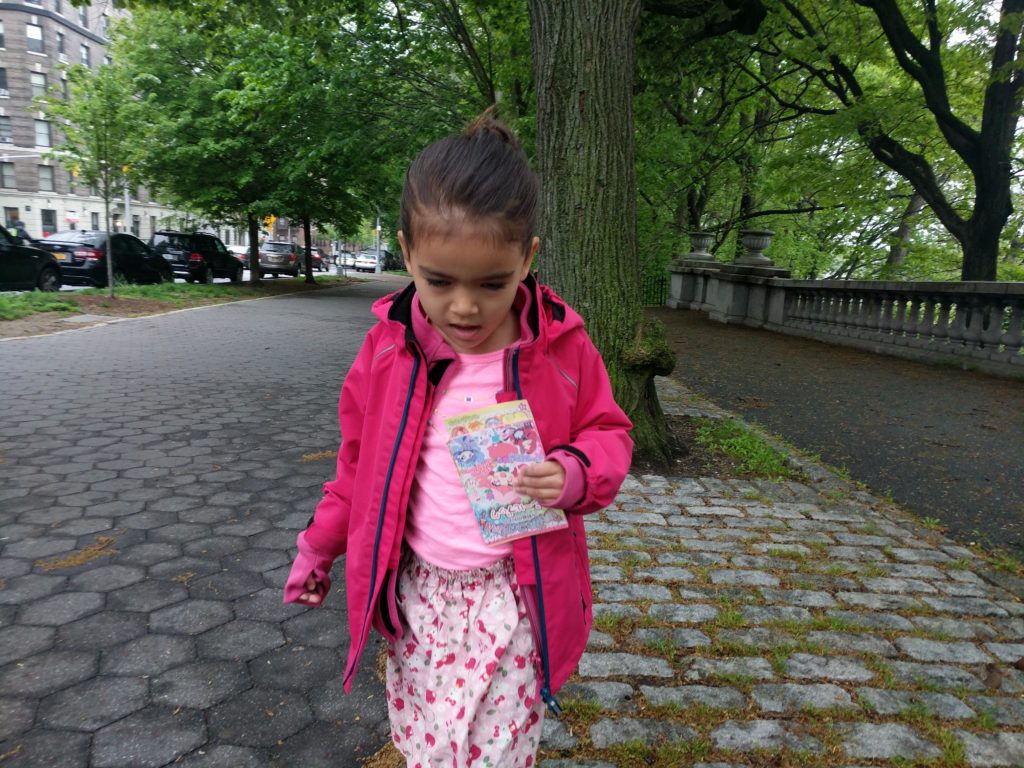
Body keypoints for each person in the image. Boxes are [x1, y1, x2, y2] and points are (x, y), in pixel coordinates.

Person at [282, 112, 633, 767]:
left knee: (496, 753)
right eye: (439, 281)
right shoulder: (387, 353)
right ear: (406, 254)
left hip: (515, 595)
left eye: (492, 284)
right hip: (420, 598)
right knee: (430, 747)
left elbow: (609, 431)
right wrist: (318, 548)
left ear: (527, 259)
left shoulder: (561, 349)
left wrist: (575, 471)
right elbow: (356, 470)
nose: (465, 307)